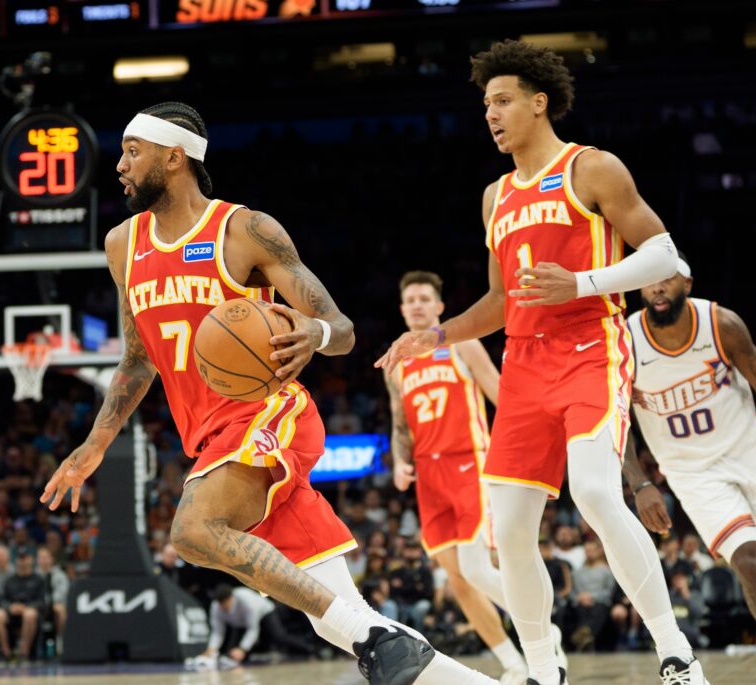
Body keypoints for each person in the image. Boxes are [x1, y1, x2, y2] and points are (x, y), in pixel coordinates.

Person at [41, 101, 497, 685]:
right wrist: (96, 443)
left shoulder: (244, 230)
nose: (120, 165)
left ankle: (375, 638)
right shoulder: (122, 246)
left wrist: (316, 332)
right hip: (210, 438)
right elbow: (137, 358)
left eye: (134, 151)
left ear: (174, 158)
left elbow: (342, 329)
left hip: (270, 414)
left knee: (193, 531)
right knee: (339, 617)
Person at [376, 40, 707, 685]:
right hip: (524, 363)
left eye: (501, 101)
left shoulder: (593, 167)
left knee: (591, 490)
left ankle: (675, 652)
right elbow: (501, 302)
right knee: (511, 528)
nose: (491, 114)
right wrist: (434, 336)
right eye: (485, 105)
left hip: (591, 345)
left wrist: (582, 283)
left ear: (539, 102)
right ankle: (540, 670)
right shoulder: (494, 196)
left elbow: (666, 256)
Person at [622, 254, 756, 653]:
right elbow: (615, 420)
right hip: (691, 472)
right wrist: (640, 482)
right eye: (650, 280)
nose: (657, 287)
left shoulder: (720, 324)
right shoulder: (625, 343)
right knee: (748, 562)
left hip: (750, 451)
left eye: (668, 279)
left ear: (687, 285)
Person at [385, 269, 529, 683]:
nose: (416, 304)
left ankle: (540, 624)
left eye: (424, 298)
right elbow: (400, 425)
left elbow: (499, 393)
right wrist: (399, 461)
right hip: (428, 474)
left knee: (477, 569)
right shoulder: (396, 363)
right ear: (401, 308)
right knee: (459, 581)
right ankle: (513, 664)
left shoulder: (462, 344)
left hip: (471, 461)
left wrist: (521, 452)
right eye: (410, 299)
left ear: (439, 307)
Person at [202, 583, 315, 663]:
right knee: (231, 653)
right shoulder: (216, 607)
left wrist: (242, 649)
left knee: (278, 636)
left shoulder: (246, 600)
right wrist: (212, 648)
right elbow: (218, 631)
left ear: (231, 597)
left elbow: (252, 628)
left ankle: (310, 648)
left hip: (264, 612)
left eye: (226, 602)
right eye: (221, 603)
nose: (224, 606)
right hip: (240, 624)